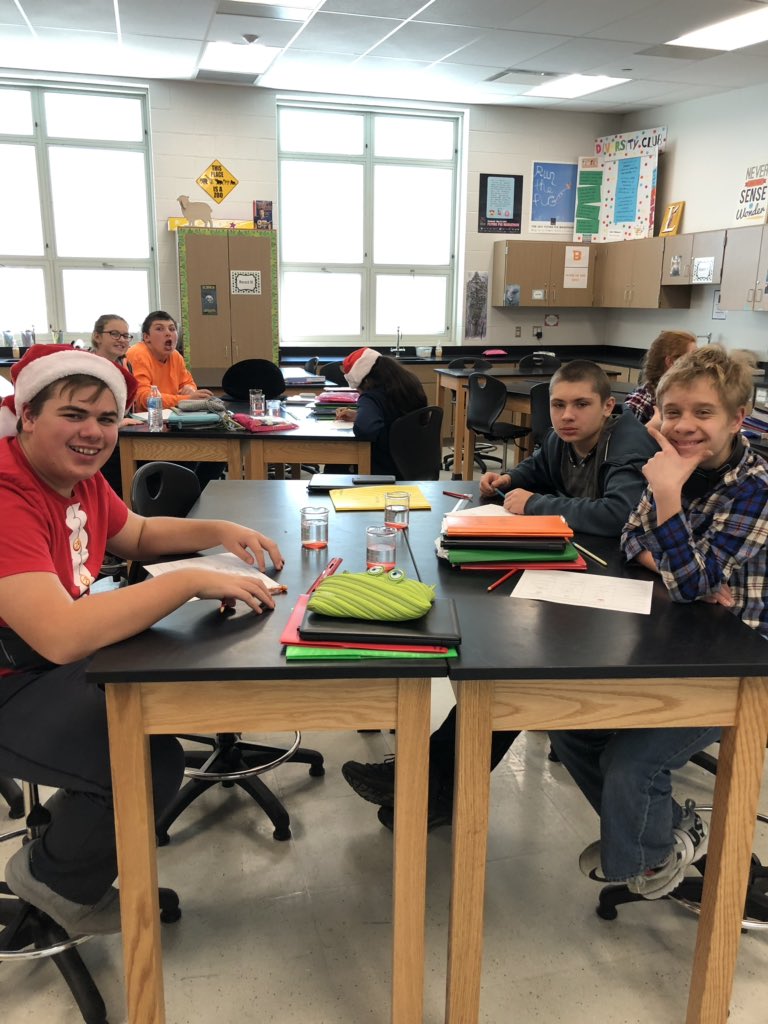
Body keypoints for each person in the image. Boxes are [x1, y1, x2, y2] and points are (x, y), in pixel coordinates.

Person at [0, 345, 284, 936]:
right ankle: (53, 878)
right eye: (74, 414)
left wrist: (219, 531)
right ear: (26, 415)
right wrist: (188, 581)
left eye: (106, 419)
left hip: (37, 668)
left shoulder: (72, 479)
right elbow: (59, 636)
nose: (93, 432)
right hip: (14, 678)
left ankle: (63, 846)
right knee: (140, 757)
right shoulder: (8, 497)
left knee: (149, 727)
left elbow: (139, 533)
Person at [342, 359, 658, 830]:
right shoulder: (562, 438)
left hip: (628, 600)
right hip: (580, 579)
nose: (567, 415)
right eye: (558, 405)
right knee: (505, 677)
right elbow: (537, 467)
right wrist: (509, 481)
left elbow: (617, 514)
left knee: (512, 680)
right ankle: (433, 786)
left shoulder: (627, 443)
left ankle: (426, 779)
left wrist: (535, 503)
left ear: (608, 406)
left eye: (581, 404)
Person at [550, 346, 768, 900]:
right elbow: (631, 541)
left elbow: (691, 583)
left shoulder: (755, 490)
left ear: (737, 419)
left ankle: (647, 859)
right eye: (672, 412)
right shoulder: (667, 462)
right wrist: (675, 566)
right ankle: (668, 835)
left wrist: (668, 502)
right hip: (674, 638)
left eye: (703, 412)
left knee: (630, 764)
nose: (684, 425)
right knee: (570, 725)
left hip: (741, 664)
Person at [335, 347, 428, 477]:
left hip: (386, 468)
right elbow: (396, 416)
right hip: (417, 461)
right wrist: (360, 415)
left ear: (364, 380)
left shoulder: (370, 396)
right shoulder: (410, 382)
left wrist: (364, 416)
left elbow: (365, 431)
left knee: (335, 464)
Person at [90, 314, 140, 500]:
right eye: (114, 334)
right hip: (100, 441)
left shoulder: (126, 366)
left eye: (126, 336)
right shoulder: (86, 367)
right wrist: (117, 423)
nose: (122, 340)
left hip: (124, 436)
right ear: (97, 336)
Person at [128, 310, 213, 411]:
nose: (168, 333)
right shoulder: (138, 354)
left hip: (170, 415)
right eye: (159, 329)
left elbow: (188, 382)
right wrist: (187, 399)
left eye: (172, 329)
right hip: (145, 420)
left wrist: (190, 389)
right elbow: (144, 398)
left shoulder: (175, 355)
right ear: (146, 337)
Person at [624, 329, 696, 425]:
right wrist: (649, 429)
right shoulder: (640, 402)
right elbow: (624, 439)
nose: (697, 365)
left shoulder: (685, 397)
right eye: (692, 359)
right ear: (671, 362)